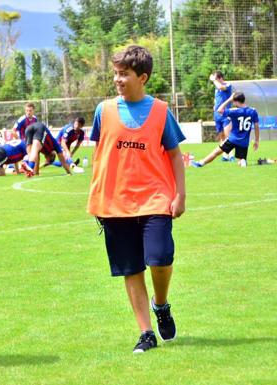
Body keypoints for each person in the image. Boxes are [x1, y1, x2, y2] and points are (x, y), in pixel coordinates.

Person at [87, 45, 186, 354]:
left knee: (160, 258)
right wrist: (98, 194)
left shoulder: (160, 111)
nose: (118, 79)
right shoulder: (103, 111)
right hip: (115, 202)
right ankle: (146, 332)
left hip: (156, 198)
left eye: (124, 74)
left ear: (142, 77)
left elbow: (174, 154)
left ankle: (161, 304)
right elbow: (99, 155)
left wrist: (180, 194)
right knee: (131, 268)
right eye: (116, 73)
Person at [192, 92, 259, 168]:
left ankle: (200, 163)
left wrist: (229, 99)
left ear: (236, 101)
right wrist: (256, 141)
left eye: (233, 101)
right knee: (240, 161)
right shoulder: (253, 111)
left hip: (232, 139)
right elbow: (256, 126)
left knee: (216, 152)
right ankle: (243, 161)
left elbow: (219, 110)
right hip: (244, 142)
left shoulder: (234, 111)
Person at [210, 70, 234, 158]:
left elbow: (221, 87)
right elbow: (217, 99)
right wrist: (214, 106)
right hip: (217, 114)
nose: (215, 80)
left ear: (220, 78)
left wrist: (213, 80)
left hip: (225, 113)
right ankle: (225, 156)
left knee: (228, 135)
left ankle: (231, 155)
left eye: (216, 78)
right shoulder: (216, 88)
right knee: (222, 136)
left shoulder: (228, 85)